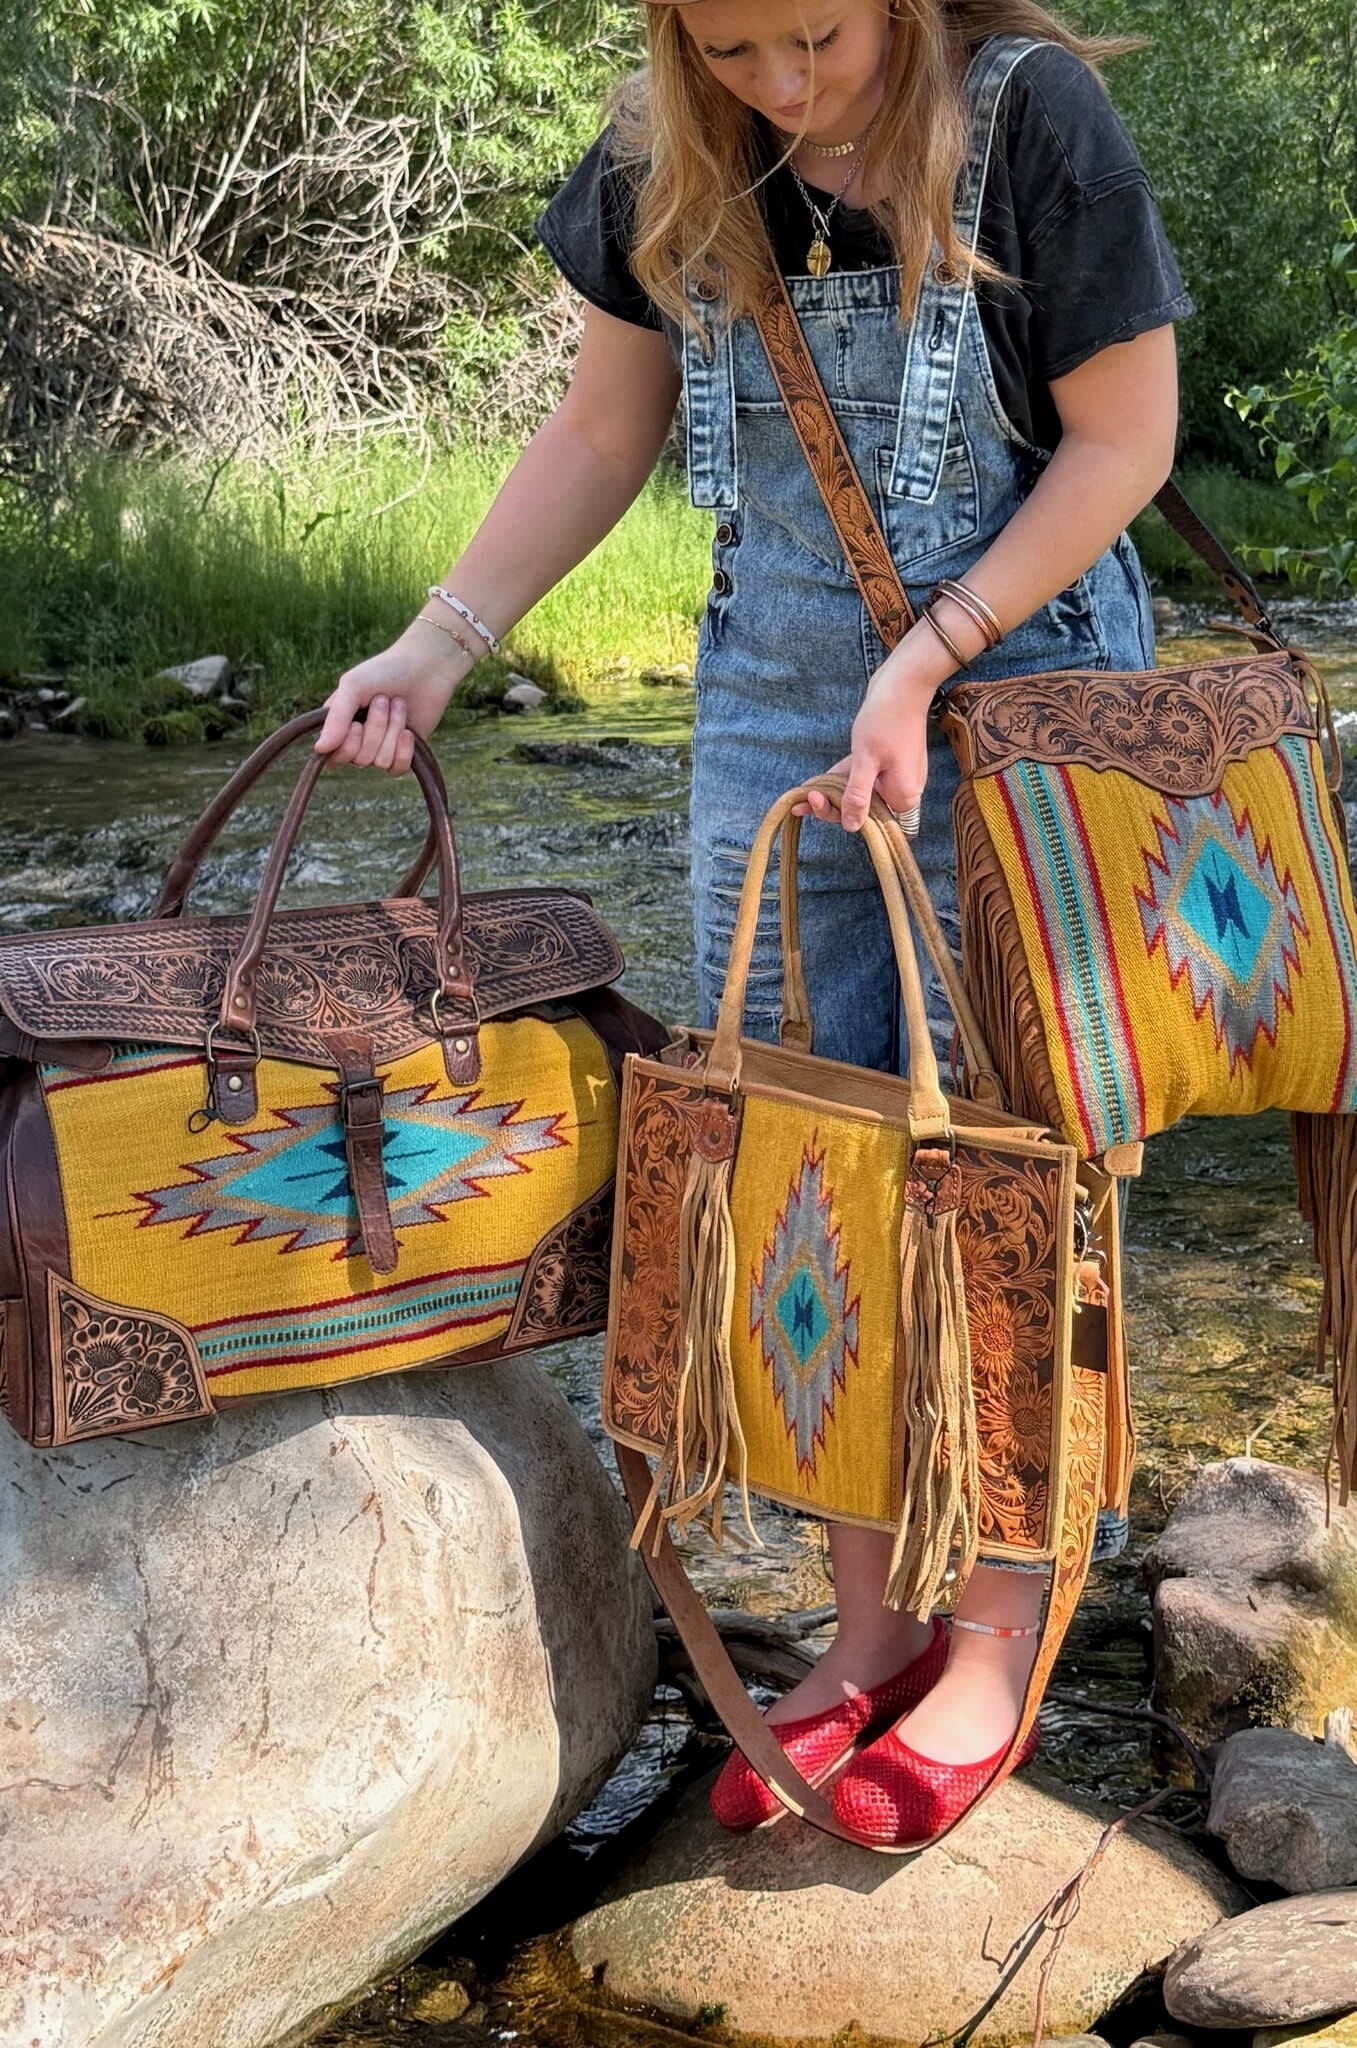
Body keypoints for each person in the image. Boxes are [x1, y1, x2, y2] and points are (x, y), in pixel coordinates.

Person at [314, 0, 1188, 1846]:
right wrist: (437, 645)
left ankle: (1000, 1622)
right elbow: (597, 425)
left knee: (1014, 1169)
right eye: (732, 51)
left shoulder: (1030, 121)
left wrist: (925, 661)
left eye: (817, 37)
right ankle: (869, 1617)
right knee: (803, 1158)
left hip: (1022, 700)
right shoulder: (660, 151)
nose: (782, 88)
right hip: (768, 713)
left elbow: (1126, 441)